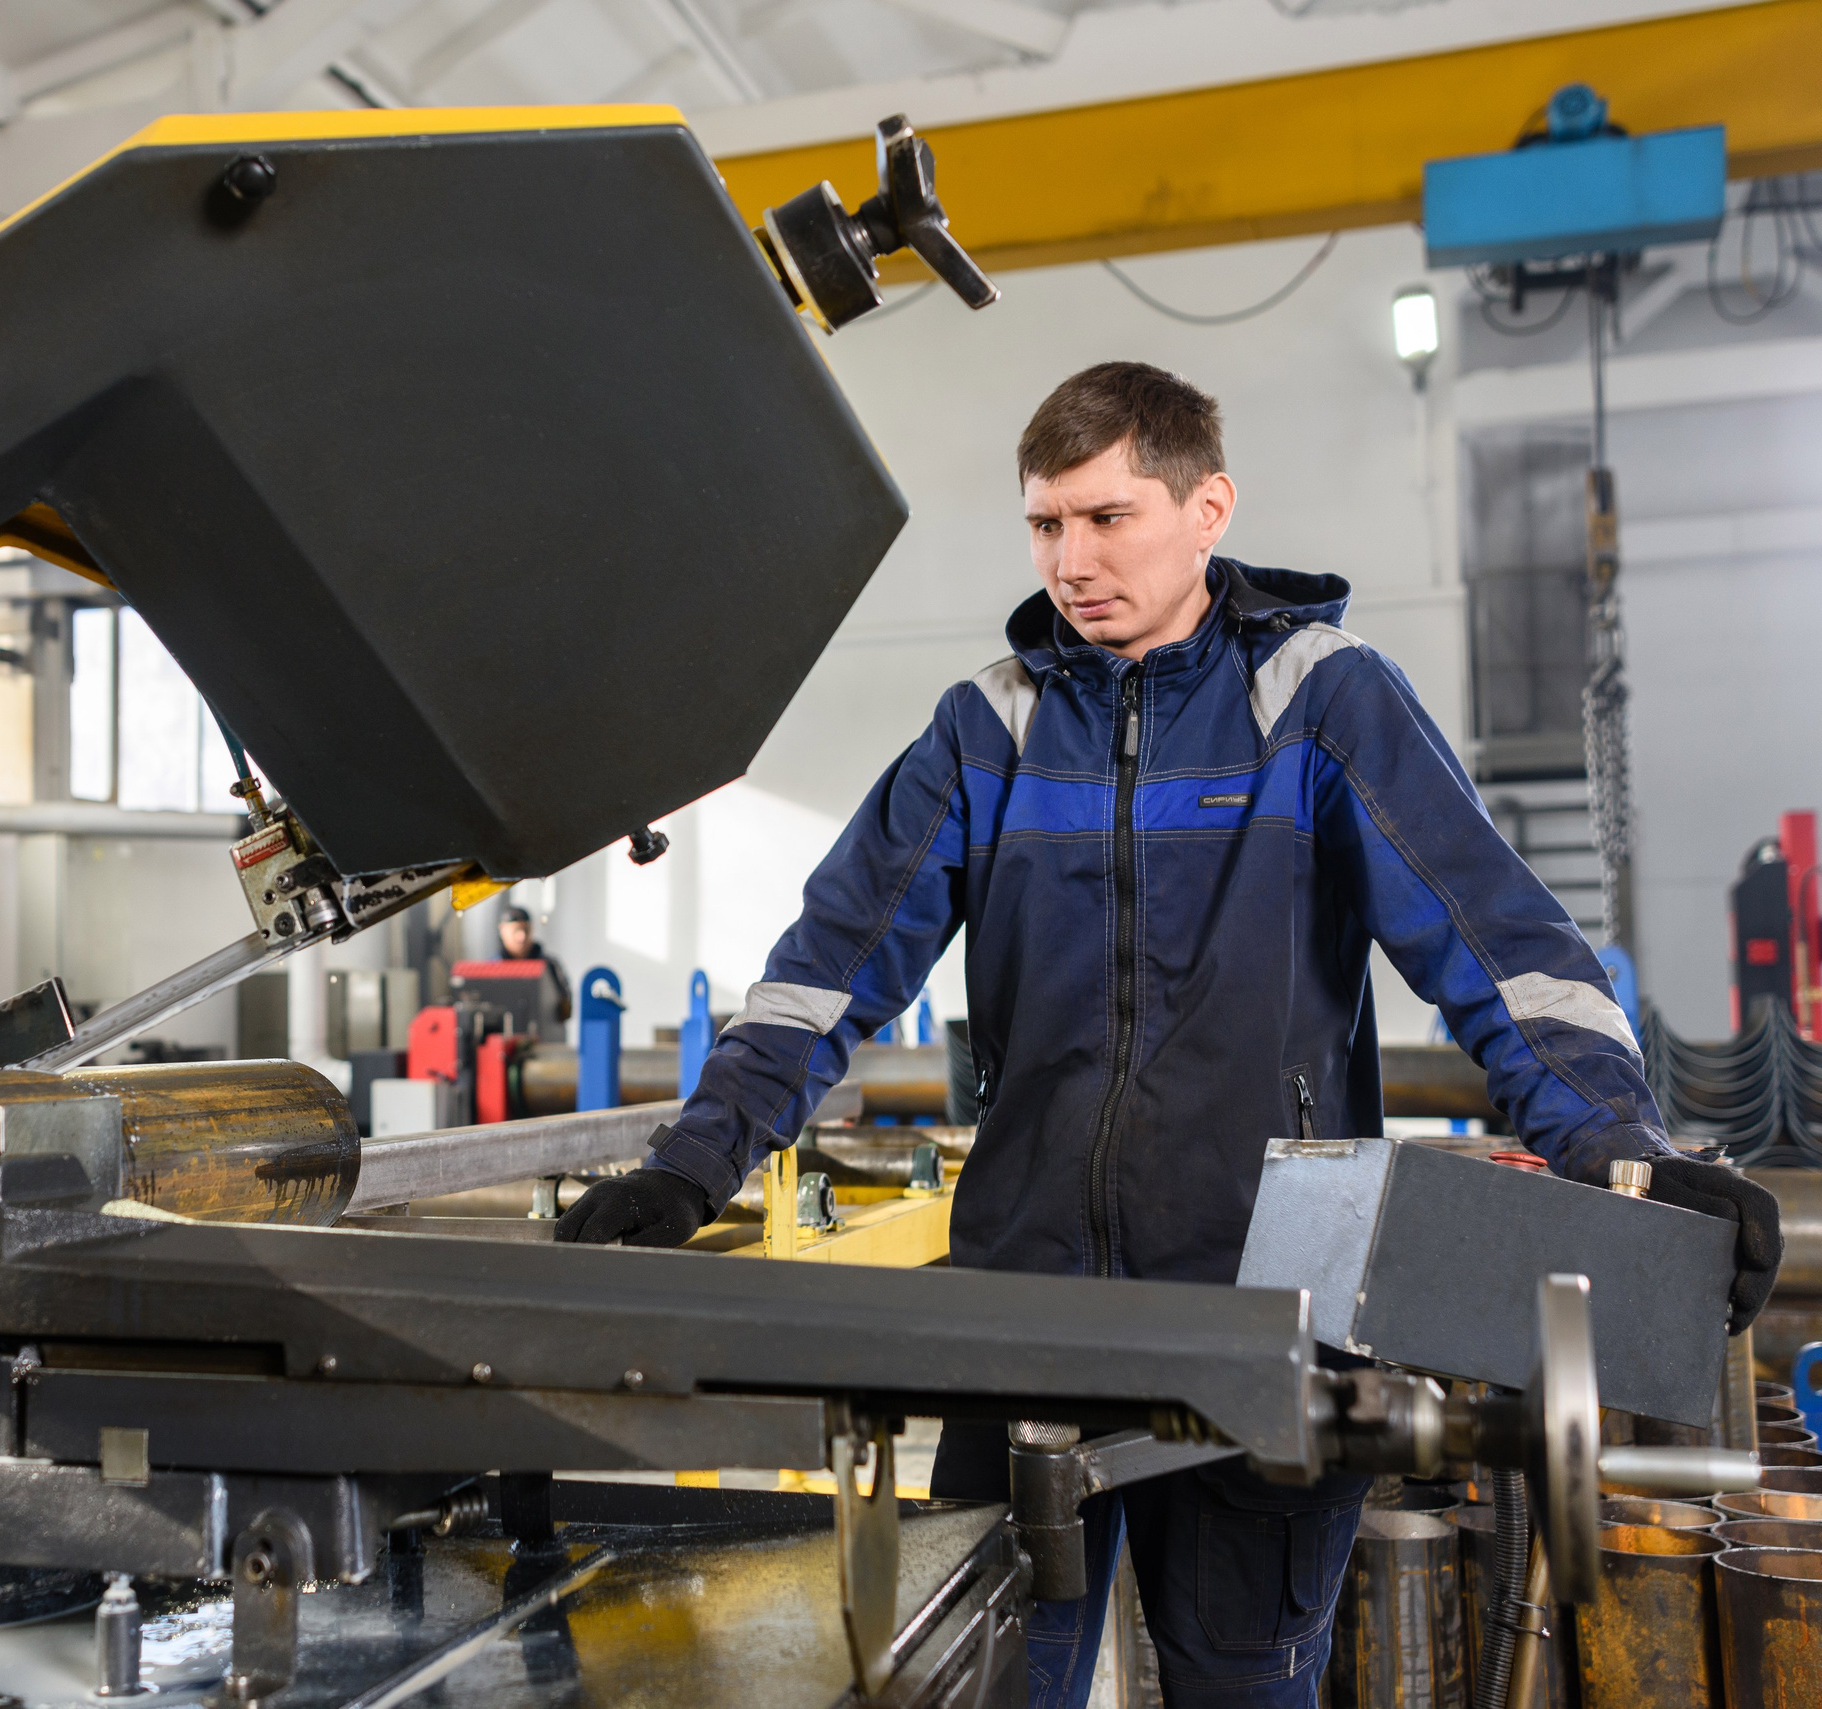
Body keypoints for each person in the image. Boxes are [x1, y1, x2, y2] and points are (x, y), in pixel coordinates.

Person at [555, 362, 1781, 1705]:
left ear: (1209, 507)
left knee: (1245, 1682)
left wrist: (1624, 1146)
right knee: (982, 1679)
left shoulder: (1319, 700)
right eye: (1044, 525)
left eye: (1106, 517)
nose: (1070, 560)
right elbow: (826, 969)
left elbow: (1505, 955)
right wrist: (695, 1160)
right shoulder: (992, 727)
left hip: (1265, 1310)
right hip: (1027, 1320)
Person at [496, 906, 573, 1026]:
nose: (521, 937)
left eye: (526, 930)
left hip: (543, 1035)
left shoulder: (549, 965)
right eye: (516, 930)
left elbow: (566, 1006)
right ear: (502, 930)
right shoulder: (492, 968)